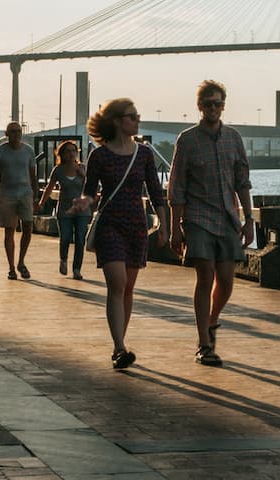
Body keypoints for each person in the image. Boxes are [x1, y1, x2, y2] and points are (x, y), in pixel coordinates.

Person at [75, 99, 167, 369]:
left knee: (127, 288)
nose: (137, 121)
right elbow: (90, 191)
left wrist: (164, 224)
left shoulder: (145, 154)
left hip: (136, 225)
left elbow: (154, 191)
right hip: (110, 225)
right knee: (117, 284)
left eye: (137, 116)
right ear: (116, 121)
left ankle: (121, 342)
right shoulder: (99, 156)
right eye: (131, 117)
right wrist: (84, 202)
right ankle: (118, 348)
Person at [167, 80, 253, 367]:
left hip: (228, 217)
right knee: (205, 276)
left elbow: (243, 181)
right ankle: (204, 344)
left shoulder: (234, 138)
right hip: (197, 218)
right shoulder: (187, 140)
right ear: (199, 106)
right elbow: (176, 186)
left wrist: (249, 219)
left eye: (218, 103)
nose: (213, 108)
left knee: (226, 282)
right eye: (208, 104)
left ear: (224, 105)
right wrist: (174, 228)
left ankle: (211, 321)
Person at [0, 122, 37, 280]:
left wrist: (35, 196)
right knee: (9, 230)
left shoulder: (28, 151)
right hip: (6, 195)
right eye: (13, 132)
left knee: (28, 226)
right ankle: (11, 267)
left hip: (25, 194)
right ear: (7, 134)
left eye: (19, 131)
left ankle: (21, 261)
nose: (17, 134)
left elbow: (33, 176)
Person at [36, 140, 89, 279]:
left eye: (73, 151)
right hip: (64, 210)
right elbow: (49, 187)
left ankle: (77, 269)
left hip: (82, 211)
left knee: (80, 239)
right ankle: (63, 260)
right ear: (62, 154)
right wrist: (41, 202)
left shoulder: (82, 168)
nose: (71, 154)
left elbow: (91, 188)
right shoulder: (58, 170)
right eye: (68, 151)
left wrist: (83, 175)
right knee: (65, 237)